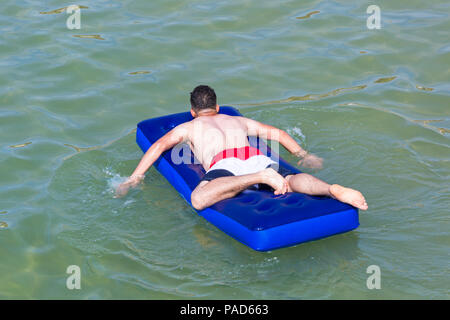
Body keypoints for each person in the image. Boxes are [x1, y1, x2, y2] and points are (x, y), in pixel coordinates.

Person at [116, 85, 368, 211]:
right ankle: (331, 189)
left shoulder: (190, 127)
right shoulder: (237, 120)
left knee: (198, 199)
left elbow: (159, 146)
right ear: (217, 107)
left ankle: (259, 177)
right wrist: (303, 155)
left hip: (227, 165)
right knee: (290, 180)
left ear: (193, 111)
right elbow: (278, 134)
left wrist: (134, 177)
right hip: (255, 156)